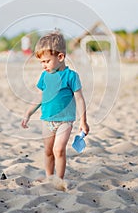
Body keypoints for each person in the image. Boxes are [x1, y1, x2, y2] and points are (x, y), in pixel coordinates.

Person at [21, 31, 89, 180]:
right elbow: (40, 96)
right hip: (47, 120)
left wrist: (83, 121)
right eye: (41, 62)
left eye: (46, 61)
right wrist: (28, 114)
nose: (43, 65)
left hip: (65, 120)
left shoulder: (71, 76)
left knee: (58, 150)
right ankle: (49, 177)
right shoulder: (45, 76)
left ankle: (59, 179)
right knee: (48, 151)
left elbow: (79, 99)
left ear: (60, 57)